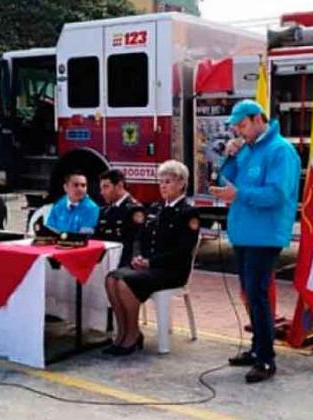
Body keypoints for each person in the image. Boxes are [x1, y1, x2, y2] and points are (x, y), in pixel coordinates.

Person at [210, 99, 301, 384]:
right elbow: (228, 178)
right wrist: (230, 155)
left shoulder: (280, 151)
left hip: (265, 234)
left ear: (258, 118)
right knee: (249, 293)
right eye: (236, 127)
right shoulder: (247, 149)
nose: (239, 131)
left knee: (258, 294)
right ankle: (256, 348)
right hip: (244, 232)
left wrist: (239, 196)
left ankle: (266, 358)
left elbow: (277, 194)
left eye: (242, 125)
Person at [103, 160, 200, 356]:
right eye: (161, 182)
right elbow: (141, 237)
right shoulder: (156, 208)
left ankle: (132, 334)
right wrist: (138, 256)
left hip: (171, 270)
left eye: (168, 182)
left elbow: (182, 252)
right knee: (111, 278)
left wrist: (151, 262)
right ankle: (124, 333)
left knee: (124, 283)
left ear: (181, 183)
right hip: (151, 267)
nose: (162, 186)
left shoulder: (188, 212)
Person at [95, 169, 145, 268]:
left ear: (119, 186)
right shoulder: (105, 210)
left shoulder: (134, 210)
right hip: (105, 261)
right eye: (101, 188)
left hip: (124, 263)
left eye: (106, 187)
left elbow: (137, 243)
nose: (102, 192)